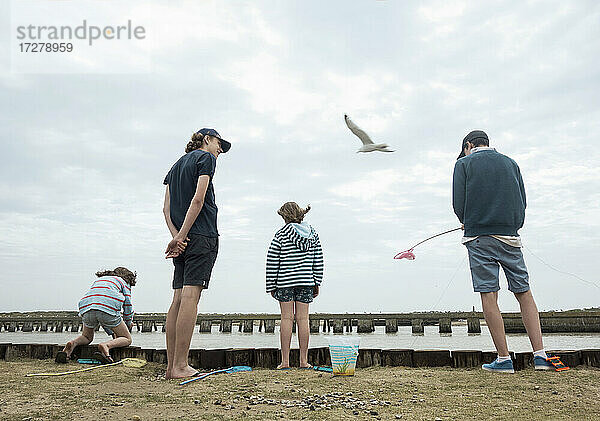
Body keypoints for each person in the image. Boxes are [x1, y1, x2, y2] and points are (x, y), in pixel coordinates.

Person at [453, 130, 553, 373]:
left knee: (489, 295)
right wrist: (514, 225)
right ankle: (540, 355)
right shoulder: (511, 163)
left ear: (468, 145)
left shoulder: (463, 164)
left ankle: (504, 359)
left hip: (478, 237)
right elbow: (522, 200)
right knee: (524, 292)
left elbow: (458, 202)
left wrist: (466, 220)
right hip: (510, 235)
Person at [163, 128, 231, 379]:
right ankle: (181, 365)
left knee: (178, 299)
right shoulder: (206, 158)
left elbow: (165, 208)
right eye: (218, 143)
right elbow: (198, 200)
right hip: (200, 235)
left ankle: (171, 366)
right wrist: (181, 237)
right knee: (191, 298)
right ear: (206, 140)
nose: (220, 150)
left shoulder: (175, 166)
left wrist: (176, 236)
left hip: (182, 238)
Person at [266, 202, 324, 369]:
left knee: (286, 318)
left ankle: (285, 361)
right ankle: (304, 361)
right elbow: (318, 260)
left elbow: (272, 261)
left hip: (284, 282)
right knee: (303, 319)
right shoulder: (313, 234)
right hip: (306, 281)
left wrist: (271, 284)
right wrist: (316, 281)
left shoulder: (280, 235)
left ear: (284, 216)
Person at [56, 267, 136, 364]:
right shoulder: (123, 282)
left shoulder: (101, 280)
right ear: (129, 278)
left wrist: (111, 332)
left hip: (87, 306)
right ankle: (106, 346)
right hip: (107, 307)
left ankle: (73, 343)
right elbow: (127, 305)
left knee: (86, 337)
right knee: (127, 339)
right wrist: (128, 323)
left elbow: (102, 314)